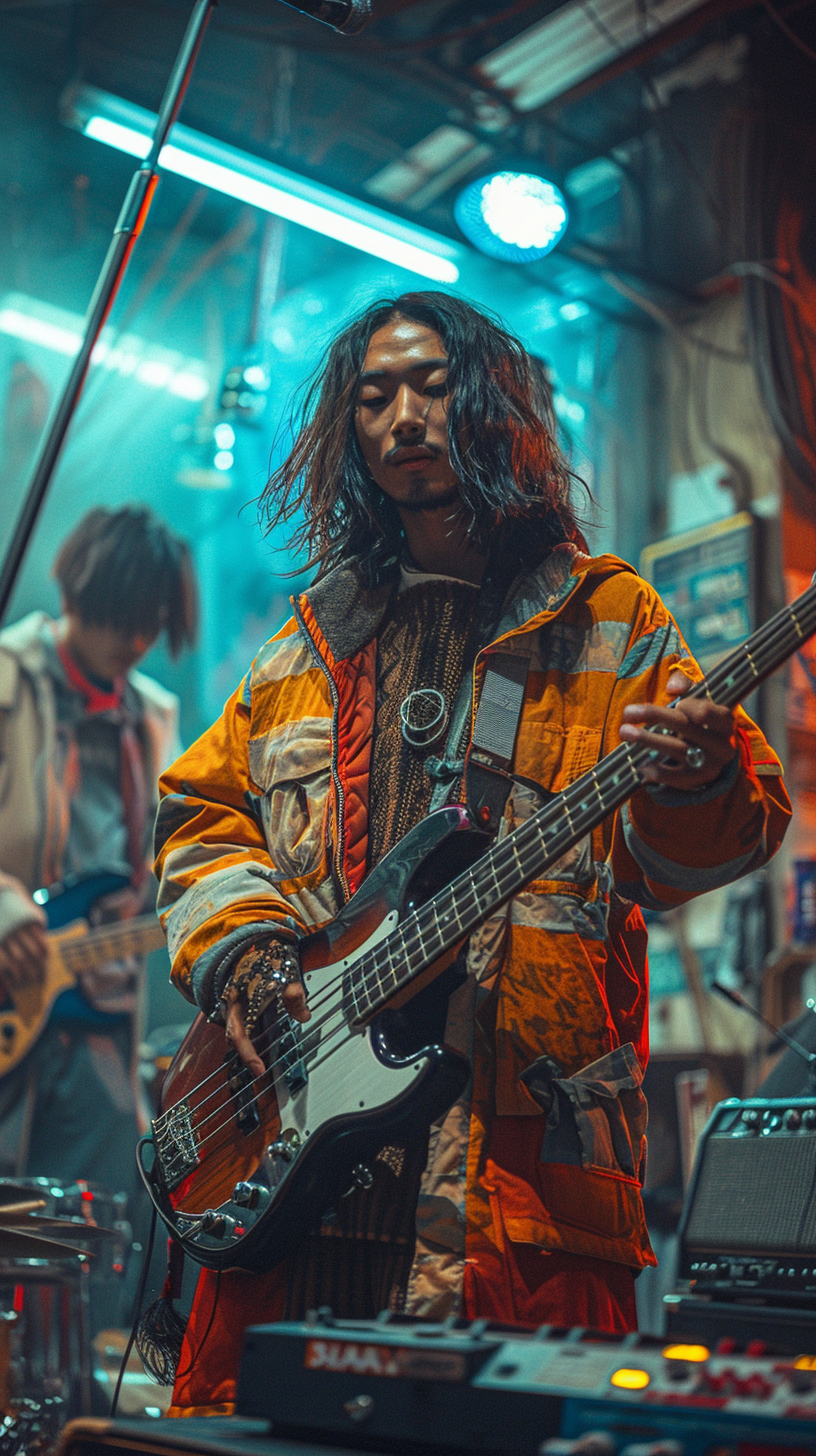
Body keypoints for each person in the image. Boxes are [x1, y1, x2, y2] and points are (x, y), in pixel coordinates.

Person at [154, 293, 790, 1416]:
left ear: (493, 401)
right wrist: (251, 958)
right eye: (374, 395)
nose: (404, 414)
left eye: (435, 384)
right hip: (293, 1189)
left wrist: (695, 773)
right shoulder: (305, 645)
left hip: (509, 1197)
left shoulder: (611, 621)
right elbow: (201, 814)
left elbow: (686, 858)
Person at [0, 504, 197, 1208]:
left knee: (101, 1218)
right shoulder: (6, 679)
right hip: (9, 987)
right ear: (81, 591)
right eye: (123, 615)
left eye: (152, 621)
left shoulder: (153, 718)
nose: (138, 637)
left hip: (97, 1014)